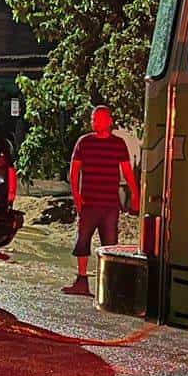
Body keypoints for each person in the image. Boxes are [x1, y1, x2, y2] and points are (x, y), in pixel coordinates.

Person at [63, 104, 138, 297]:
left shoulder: (118, 144)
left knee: (111, 245)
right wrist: (77, 198)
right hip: (89, 201)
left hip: (110, 204)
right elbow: (74, 172)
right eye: (93, 119)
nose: (94, 122)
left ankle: (110, 286)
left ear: (109, 121)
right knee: (83, 242)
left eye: (98, 119)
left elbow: (128, 172)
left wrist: (136, 195)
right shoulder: (84, 142)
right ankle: (81, 280)